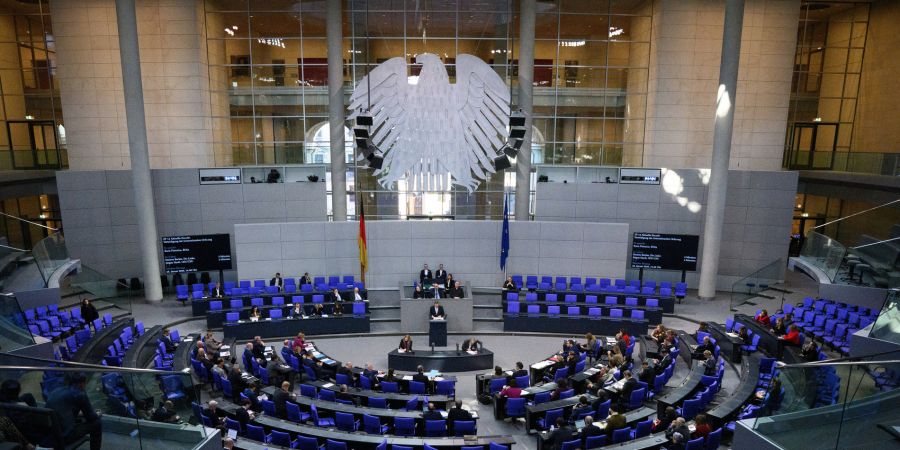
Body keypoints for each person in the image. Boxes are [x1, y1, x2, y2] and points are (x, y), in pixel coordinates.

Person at [45, 373, 102, 450]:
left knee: (82, 419)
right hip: (64, 436)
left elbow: (64, 411)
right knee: (97, 424)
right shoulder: (80, 394)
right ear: (82, 384)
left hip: (50, 435)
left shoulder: (56, 391)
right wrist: (97, 414)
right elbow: (91, 417)